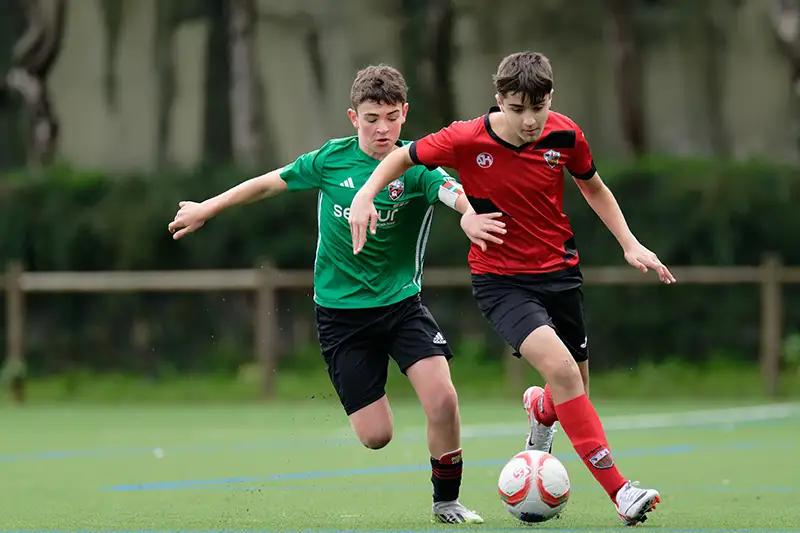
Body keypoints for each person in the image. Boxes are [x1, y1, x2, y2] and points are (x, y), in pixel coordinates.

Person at [347, 52, 676, 526]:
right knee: (563, 371)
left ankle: (541, 409)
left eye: (538, 107)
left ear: (550, 99)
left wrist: (630, 243)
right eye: (518, 108)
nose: (529, 119)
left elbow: (594, 187)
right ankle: (621, 492)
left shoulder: (566, 134)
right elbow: (402, 156)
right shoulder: (465, 137)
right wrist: (365, 194)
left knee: (574, 391)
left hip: (560, 276)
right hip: (501, 282)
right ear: (499, 100)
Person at [167, 65, 500, 525]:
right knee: (376, 436)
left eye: (390, 117)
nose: (381, 128)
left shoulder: (417, 166)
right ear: (353, 117)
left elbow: (453, 193)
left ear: (404, 114)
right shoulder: (330, 160)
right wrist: (208, 207)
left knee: (443, 398)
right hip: (341, 316)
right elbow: (267, 183)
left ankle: (446, 501)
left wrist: (468, 214)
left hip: (402, 306)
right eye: (370, 118)